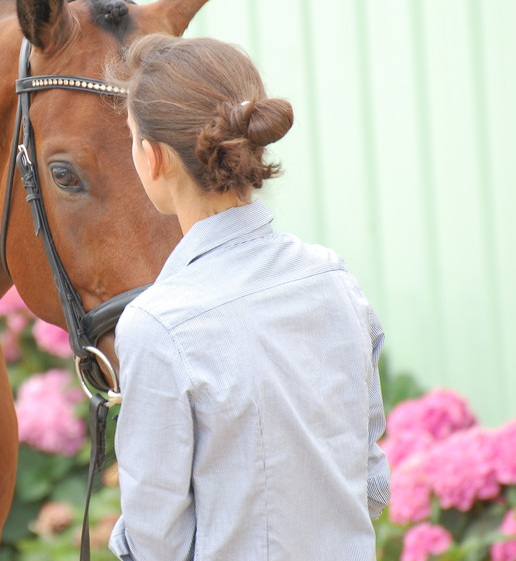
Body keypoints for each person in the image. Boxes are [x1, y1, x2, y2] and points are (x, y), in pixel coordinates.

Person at [106, 34, 390, 560]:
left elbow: (155, 545)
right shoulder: (332, 279)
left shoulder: (157, 325)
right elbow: (371, 483)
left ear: (152, 158)